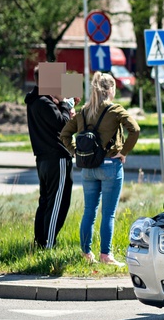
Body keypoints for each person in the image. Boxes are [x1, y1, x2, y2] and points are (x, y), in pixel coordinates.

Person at [61, 72, 140, 266]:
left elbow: (64, 134)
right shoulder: (115, 110)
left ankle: (86, 254)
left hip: (87, 167)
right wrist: (124, 152)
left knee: (89, 211)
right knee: (109, 214)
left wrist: (75, 152)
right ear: (110, 89)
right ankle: (106, 255)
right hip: (109, 166)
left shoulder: (84, 111)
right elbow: (135, 129)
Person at [25, 66, 78, 249]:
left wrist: (64, 106)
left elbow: (55, 122)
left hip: (43, 159)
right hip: (57, 158)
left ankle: (40, 242)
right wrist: (64, 104)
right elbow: (62, 124)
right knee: (58, 203)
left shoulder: (35, 100)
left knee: (46, 201)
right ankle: (49, 244)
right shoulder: (44, 102)